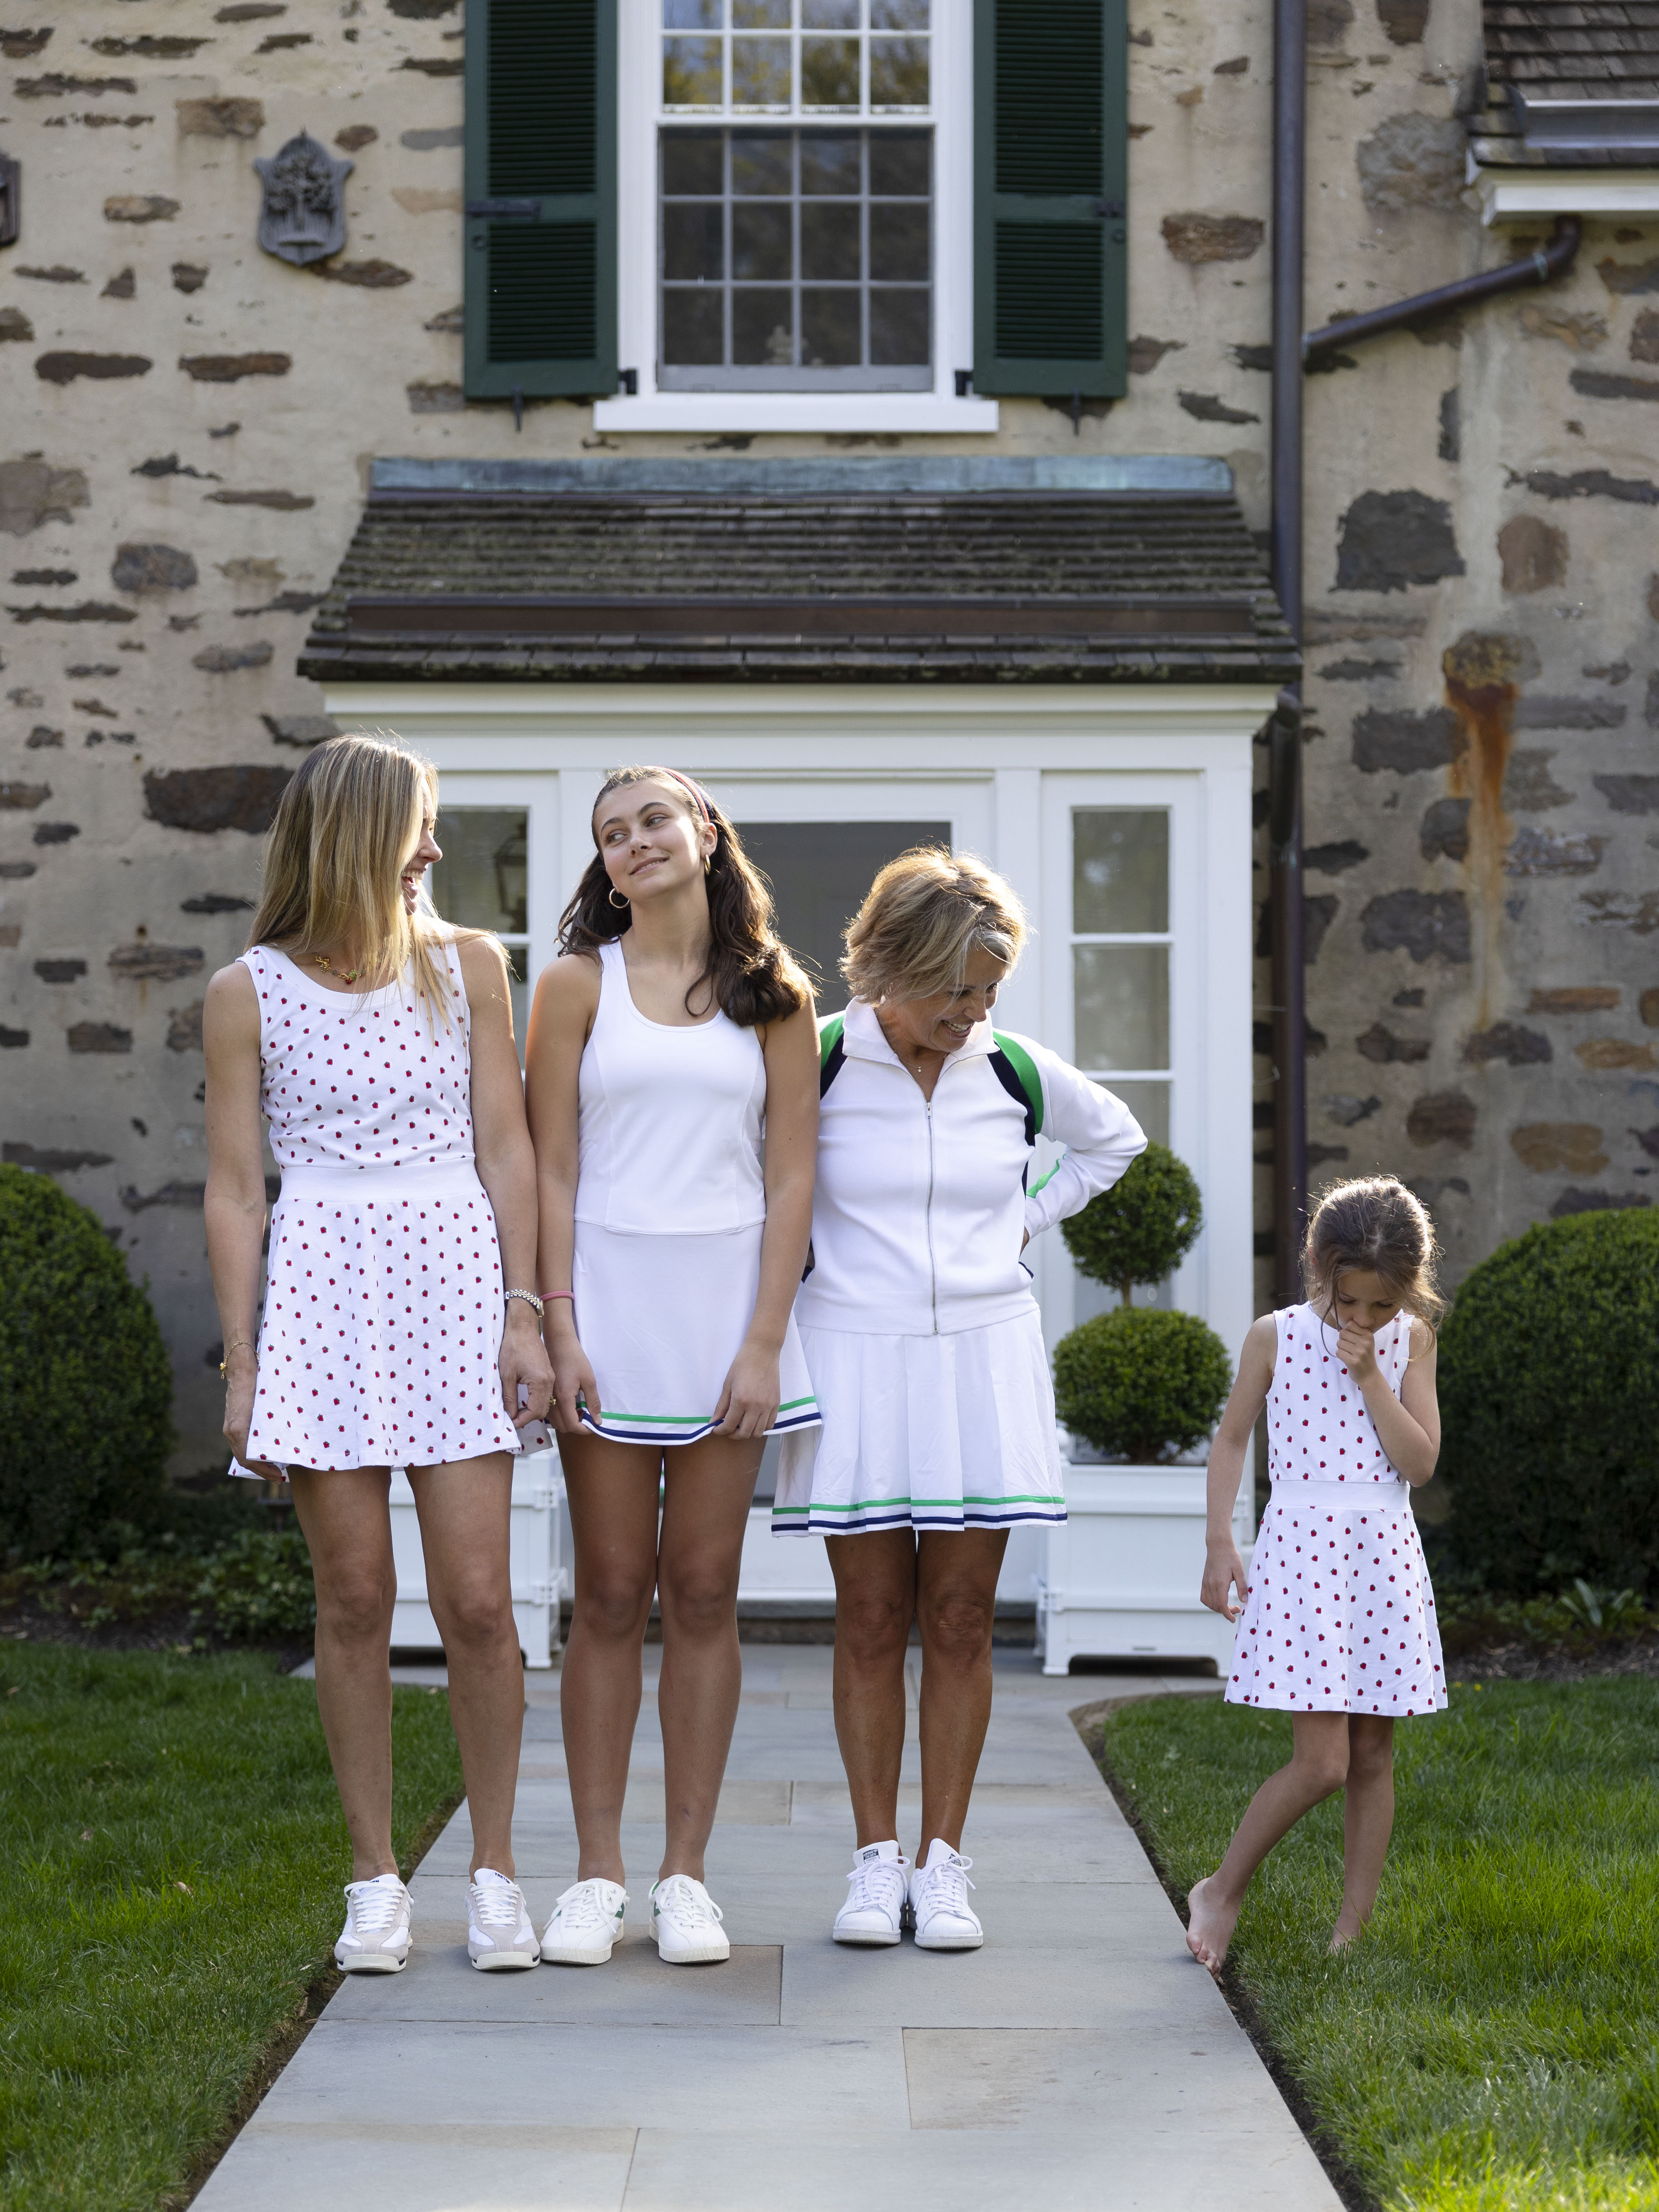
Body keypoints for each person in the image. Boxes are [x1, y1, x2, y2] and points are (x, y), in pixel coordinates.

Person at [204, 734, 554, 1978]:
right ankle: (374, 1883)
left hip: (454, 1282)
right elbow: (239, 1191)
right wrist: (242, 1365)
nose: (438, 849)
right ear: (358, 832)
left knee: (478, 1604)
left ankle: (499, 1875)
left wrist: (527, 1310)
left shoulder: (471, 968)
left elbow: (507, 1149)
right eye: (421, 824)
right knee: (353, 1600)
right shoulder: (246, 991)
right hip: (319, 1290)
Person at [773, 849, 1146, 1951]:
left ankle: (944, 1866)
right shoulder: (821, 1059)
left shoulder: (1013, 1066)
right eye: (958, 990)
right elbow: (758, 1177)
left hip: (985, 1357)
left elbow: (1114, 1141)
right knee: (871, 1619)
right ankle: (872, 1860)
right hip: (855, 1358)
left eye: (990, 990)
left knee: (963, 1618)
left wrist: (1023, 1219)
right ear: (890, 964)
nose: (975, 1012)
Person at [523, 765, 819, 1968]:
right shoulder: (571, 986)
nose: (634, 840)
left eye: (653, 818)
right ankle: (596, 1877)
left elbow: (794, 1177)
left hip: (726, 1322)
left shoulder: (777, 998)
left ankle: (684, 1877)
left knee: (702, 1593)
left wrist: (763, 1339)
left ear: (704, 832)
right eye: (611, 833)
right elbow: (547, 1168)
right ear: (602, 864)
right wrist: (557, 1322)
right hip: (605, 1311)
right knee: (606, 1593)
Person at [1187, 1175, 1447, 1972]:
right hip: (1303, 1553)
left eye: (1382, 1306)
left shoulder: (1413, 1342)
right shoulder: (1276, 1336)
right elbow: (1233, 1438)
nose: (1364, 1320)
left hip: (1382, 1555)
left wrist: (1372, 1375)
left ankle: (1350, 1931)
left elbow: (1420, 1462)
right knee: (1322, 1763)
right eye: (1350, 1303)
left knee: (1371, 1757)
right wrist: (1220, 1541)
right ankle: (1221, 1890)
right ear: (1318, 1267)